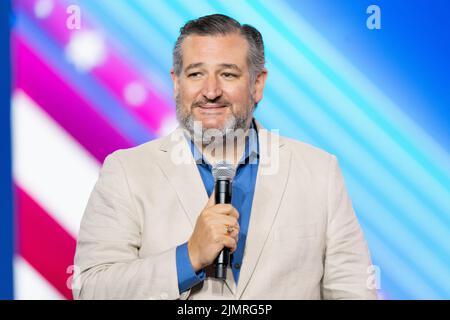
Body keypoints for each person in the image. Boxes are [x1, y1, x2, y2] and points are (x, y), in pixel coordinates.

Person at [73, 14, 377, 300]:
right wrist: (189, 256)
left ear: (257, 84)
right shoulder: (127, 171)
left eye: (228, 74)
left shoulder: (319, 171)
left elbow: (353, 292)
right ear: (177, 82)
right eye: (195, 74)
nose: (211, 91)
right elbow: (91, 287)